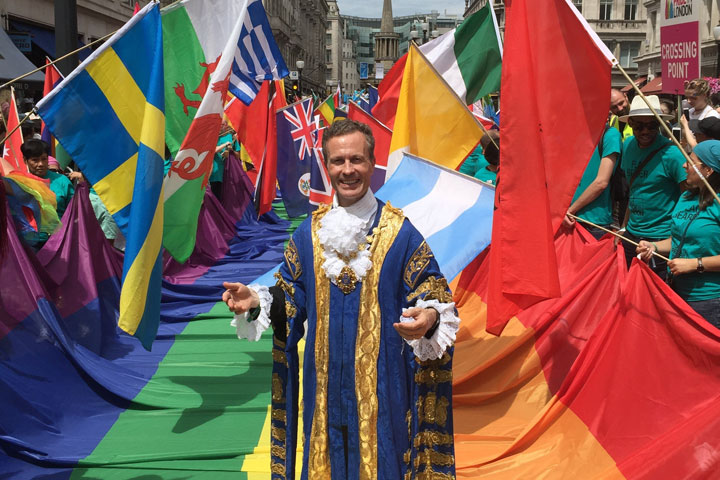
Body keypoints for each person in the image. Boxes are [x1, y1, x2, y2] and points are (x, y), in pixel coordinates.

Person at [222, 119, 459, 479]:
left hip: (383, 391)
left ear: (371, 163)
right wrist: (255, 300)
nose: (347, 170)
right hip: (324, 395)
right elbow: (290, 295)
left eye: (356, 160)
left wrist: (429, 316)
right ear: (326, 165)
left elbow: (433, 291)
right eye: (338, 161)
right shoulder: (309, 234)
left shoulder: (400, 232)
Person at [636, 140, 720, 327]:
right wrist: (654, 246)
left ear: (708, 171)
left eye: (690, 162)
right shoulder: (686, 196)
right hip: (676, 292)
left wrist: (695, 264)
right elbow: (679, 239)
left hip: (710, 301)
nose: (684, 165)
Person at [618, 95, 687, 279]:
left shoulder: (672, 154)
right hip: (631, 235)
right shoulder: (628, 145)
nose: (646, 131)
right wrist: (624, 227)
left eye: (652, 125)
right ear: (631, 123)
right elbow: (634, 191)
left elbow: (687, 197)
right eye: (640, 125)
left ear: (659, 124)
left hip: (660, 239)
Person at [564, 119, 622, 240]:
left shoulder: (610, 135)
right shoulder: (571, 133)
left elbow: (601, 182)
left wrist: (570, 210)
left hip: (594, 223)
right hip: (567, 218)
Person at [21, 139, 74, 218]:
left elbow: (75, 211)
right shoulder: (19, 182)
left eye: (44, 159)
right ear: (25, 160)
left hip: (62, 229)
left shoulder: (62, 181)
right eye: (35, 160)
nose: (41, 164)